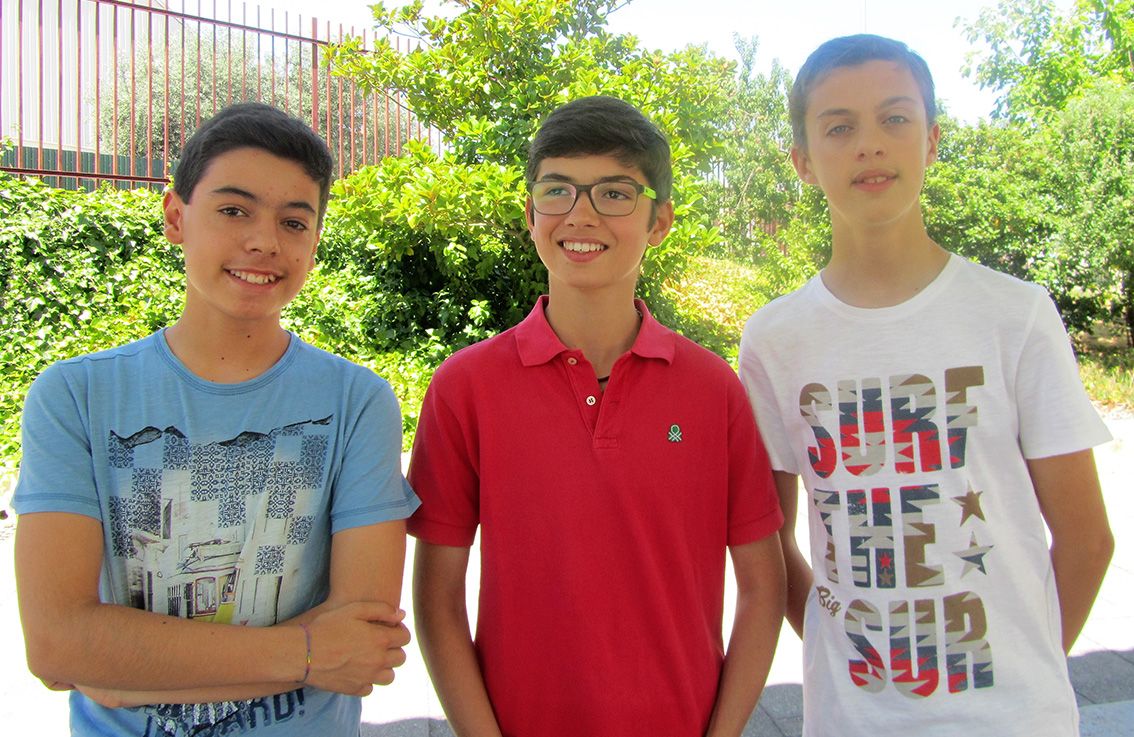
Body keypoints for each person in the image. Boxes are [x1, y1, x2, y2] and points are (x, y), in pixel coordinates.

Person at [738, 34, 1115, 736]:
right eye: (839, 127)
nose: (870, 144)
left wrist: (1028, 676)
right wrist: (841, 647)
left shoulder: (1015, 315)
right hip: (851, 721)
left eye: (895, 117)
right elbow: (771, 546)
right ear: (803, 161)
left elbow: (1087, 540)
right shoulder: (774, 340)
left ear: (932, 139)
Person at [13, 102, 420, 737]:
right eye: (234, 210)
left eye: (294, 222)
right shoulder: (75, 397)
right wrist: (311, 653)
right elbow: (59, 644)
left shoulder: (358, 403)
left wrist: (124, 671)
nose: (264, 241)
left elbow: (362, 646)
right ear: (176, 217)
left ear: (315, 240)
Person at [406, 96, 786, 736]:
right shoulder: (464, 388)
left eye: (614, 193)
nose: (580, 214)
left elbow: (763, 587)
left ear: (659, 221)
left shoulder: (713, 389)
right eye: (557, 190)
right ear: (531, 215)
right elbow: (438, 602)